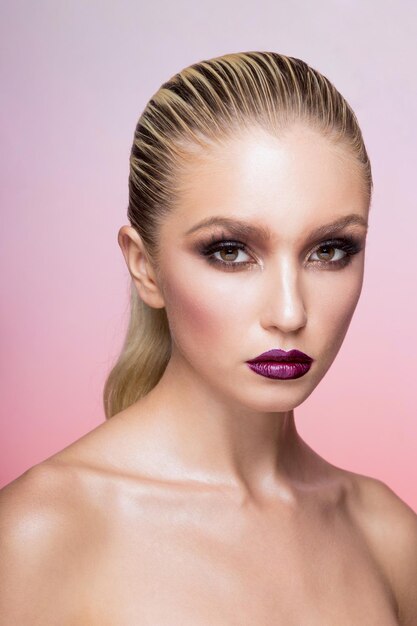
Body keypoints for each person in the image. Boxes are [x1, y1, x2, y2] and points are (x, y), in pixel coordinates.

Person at [0, 51, 416, 625]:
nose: (290, 312)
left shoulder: (389, 537)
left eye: (329, 250)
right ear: (145, 266)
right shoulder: (38, 537)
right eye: (230, 252)